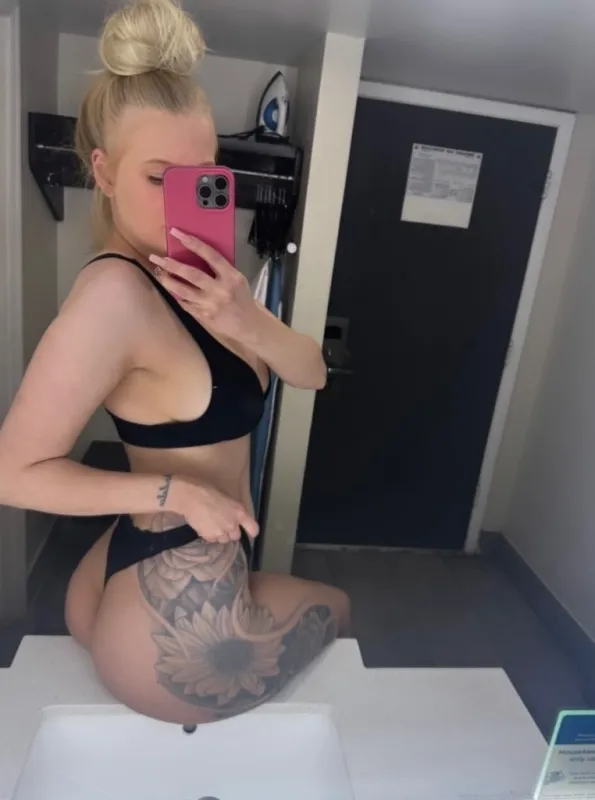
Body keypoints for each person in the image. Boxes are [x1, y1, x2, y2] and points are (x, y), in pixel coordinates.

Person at [0, 0, 350, 726]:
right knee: (340, 607)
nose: (181, 202)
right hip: (168, 613)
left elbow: (312, 373)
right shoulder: (113, 297)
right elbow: (11, 472)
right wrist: (177, 494)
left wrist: (247, 318)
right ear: (103, 172)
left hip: (139, 570)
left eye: (203, 179)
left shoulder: (208, 281)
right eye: (159, 178)